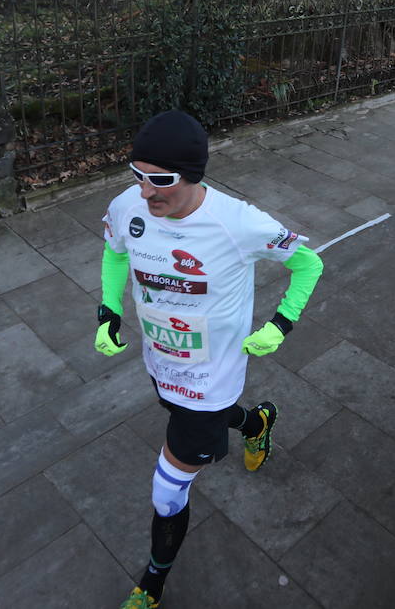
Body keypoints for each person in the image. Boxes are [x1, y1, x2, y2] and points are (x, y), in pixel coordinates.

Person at [94, 109, 325, 609]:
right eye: (136, 175)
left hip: (211, 377)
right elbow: (115, 252)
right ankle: (258, 420)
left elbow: (309, 263)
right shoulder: (127, 206)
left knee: (167, 490)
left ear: (192, 175)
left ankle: (152, 582)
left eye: (160, 180)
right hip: (160, 362)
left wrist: (280, 325)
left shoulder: (239, 223)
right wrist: (108, 311)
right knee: (192, 417)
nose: (146, 191)